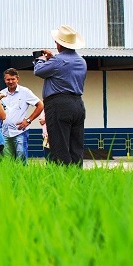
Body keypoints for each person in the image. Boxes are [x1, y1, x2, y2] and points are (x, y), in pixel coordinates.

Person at [34, 25, 87, 167]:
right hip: (77, 103)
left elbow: (38, 71)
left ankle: (63, 178)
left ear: (59, 44)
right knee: (76, 146)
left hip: (58, 104)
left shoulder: (57, 61)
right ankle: (77, 177)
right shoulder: (81, 61)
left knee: (59, 145)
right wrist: (52, 59)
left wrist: (41, 59)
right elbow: (64, 69)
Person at [0, 68, 44, 164]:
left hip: (19, 132)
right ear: (4, 80)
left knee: (21, 161)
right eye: (8, 79)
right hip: (5, 132)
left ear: (17, 79)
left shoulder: (25, 92)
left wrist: (28, 120)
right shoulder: (2, 93)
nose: (10, 81)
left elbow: (40, 105)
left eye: (13, 79)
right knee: (7, 162)